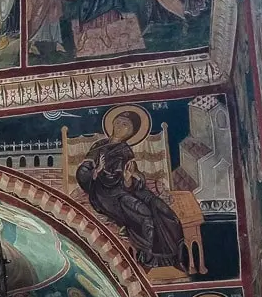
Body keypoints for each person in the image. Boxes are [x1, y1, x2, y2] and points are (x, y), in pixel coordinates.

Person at [75, 111, 185, 270]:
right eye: (118, 122)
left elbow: (134, 175)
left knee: (163, 210)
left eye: (126, 125)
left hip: (127, 190)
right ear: (112, 124)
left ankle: (173, 258)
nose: (120, 127)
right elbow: (83, 173)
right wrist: (96, 172)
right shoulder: (99, 147)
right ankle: (148, 260)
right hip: (106, 194)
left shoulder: (125, 150)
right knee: (144, 214)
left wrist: (129, 178)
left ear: (131, 132)